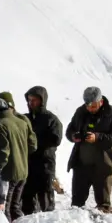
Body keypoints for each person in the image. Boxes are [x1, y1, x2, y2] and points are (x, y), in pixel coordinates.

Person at [66, 87, 112, 212]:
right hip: (81, 165)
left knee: (103, 205)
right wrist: (73, 136)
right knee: (77, 204)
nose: (90, 109)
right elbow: (69, 130)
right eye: (88, 106)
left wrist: (98, 137)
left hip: (103, 165)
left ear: (101, 102)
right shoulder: (81, 112)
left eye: (93, 106)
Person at [0, 92, 38, 221]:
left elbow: (3, 153)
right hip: (23, 172)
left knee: (5, 209)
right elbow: (32, 146)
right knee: (15, 206)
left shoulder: (0, 125)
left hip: (8, 175)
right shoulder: (22, 122)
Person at [23, 85, 64, 214]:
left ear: (42, 100)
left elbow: (56, 139)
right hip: (28, 163)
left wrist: (35, 141)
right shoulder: (26, 118)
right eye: (29, 100)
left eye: (35, 100)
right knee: (27, 198)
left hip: (45, 163)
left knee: (45, 196)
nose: (32, 103)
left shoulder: (51, 119)